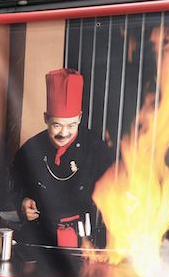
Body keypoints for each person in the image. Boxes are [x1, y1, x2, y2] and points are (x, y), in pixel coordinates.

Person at [10, 68, 114, 252]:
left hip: (85, 238)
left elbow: (115, 186)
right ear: (46, 118)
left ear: (80, 118)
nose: (64, 133)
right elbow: (15, 185)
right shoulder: (30, 150)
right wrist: (22, 202)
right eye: (57, 125)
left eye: (71, 125)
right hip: (38, 236)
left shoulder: (96, 149)